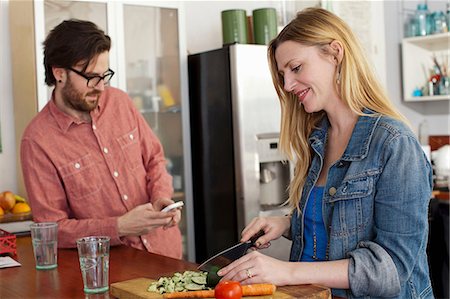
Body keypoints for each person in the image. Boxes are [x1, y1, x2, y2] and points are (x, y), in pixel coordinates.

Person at [218, 7, 433, 298]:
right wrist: (285, 223)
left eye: (296, 68)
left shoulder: (393, 143)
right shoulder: (316, 139)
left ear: (335, 53)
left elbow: (392, 268)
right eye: (283, 75)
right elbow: (337, 223)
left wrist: (286, 272)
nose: (288, 85)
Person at [20, 19, 182, 259]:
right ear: (59, 73)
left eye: (104, 75)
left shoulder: (120, 103)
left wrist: (161, 198)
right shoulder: (37, 141)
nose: (101, 86)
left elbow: (154, 160)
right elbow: (53, 229)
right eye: (91, 77)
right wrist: (118, 227)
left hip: (167, 254)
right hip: (112, 270)